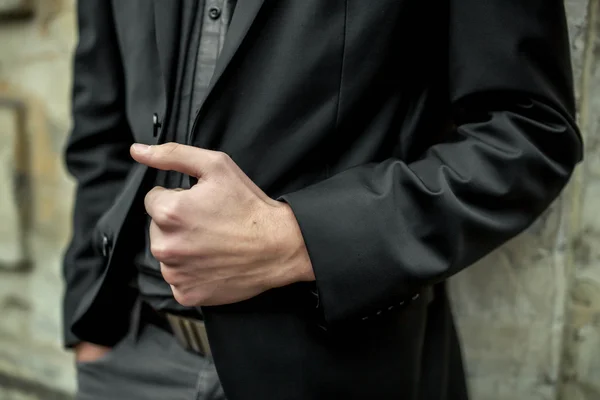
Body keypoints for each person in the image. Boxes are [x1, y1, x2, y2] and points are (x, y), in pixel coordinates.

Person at [62, 0, 582, 399]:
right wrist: (89, 329)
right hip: (129, 362)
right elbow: (101, 136)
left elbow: (529, 133)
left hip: (338, 372)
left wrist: (297, 238)